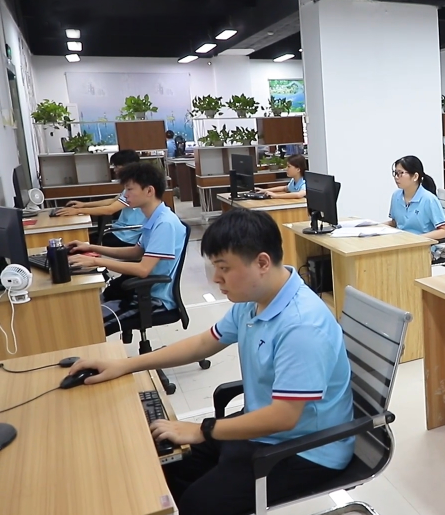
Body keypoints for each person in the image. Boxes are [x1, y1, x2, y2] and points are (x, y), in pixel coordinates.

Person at [66, 208, 354, 515]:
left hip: (307, 449)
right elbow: (204, 343)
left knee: (196, 503)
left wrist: (204, 429)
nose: (216, 279)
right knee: (169, 466)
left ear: (261, 263)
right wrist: (126, 364)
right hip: (266, 431)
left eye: (224, 268)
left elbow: (284, 417)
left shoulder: (302, 326)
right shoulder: (256, 301)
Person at [67, 162, 185, 323]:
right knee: (86, 310)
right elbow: (136, 251)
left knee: (89, 324)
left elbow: (143, 270)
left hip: (153, 298)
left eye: (130, 189)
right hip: (140, 289)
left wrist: (94, 261)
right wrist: (90, 247)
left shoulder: (165, 223)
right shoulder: (154, 217)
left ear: (149, 191)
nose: (126, 195)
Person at [56, 150, 147, 247]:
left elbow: (110, 210)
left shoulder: (135, 188)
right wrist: (83, 205)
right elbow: (112, 201)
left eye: (117, 166)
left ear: (127, 166)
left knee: (79, 242)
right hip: (119, 232)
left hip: (125, 237)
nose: (114, 169)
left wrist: (78, 211)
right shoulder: (131, 185)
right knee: (82, 239)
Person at [387, 155, 445, 240]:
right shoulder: (396, 196)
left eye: (400, 173)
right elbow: (395, 223)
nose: (396, 177)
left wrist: (416, 239)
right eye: (395, 173)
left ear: (415, 176)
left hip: (423, 247)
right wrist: (374, 227)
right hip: (402, 243)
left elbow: (444, 231)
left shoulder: (429, 199)